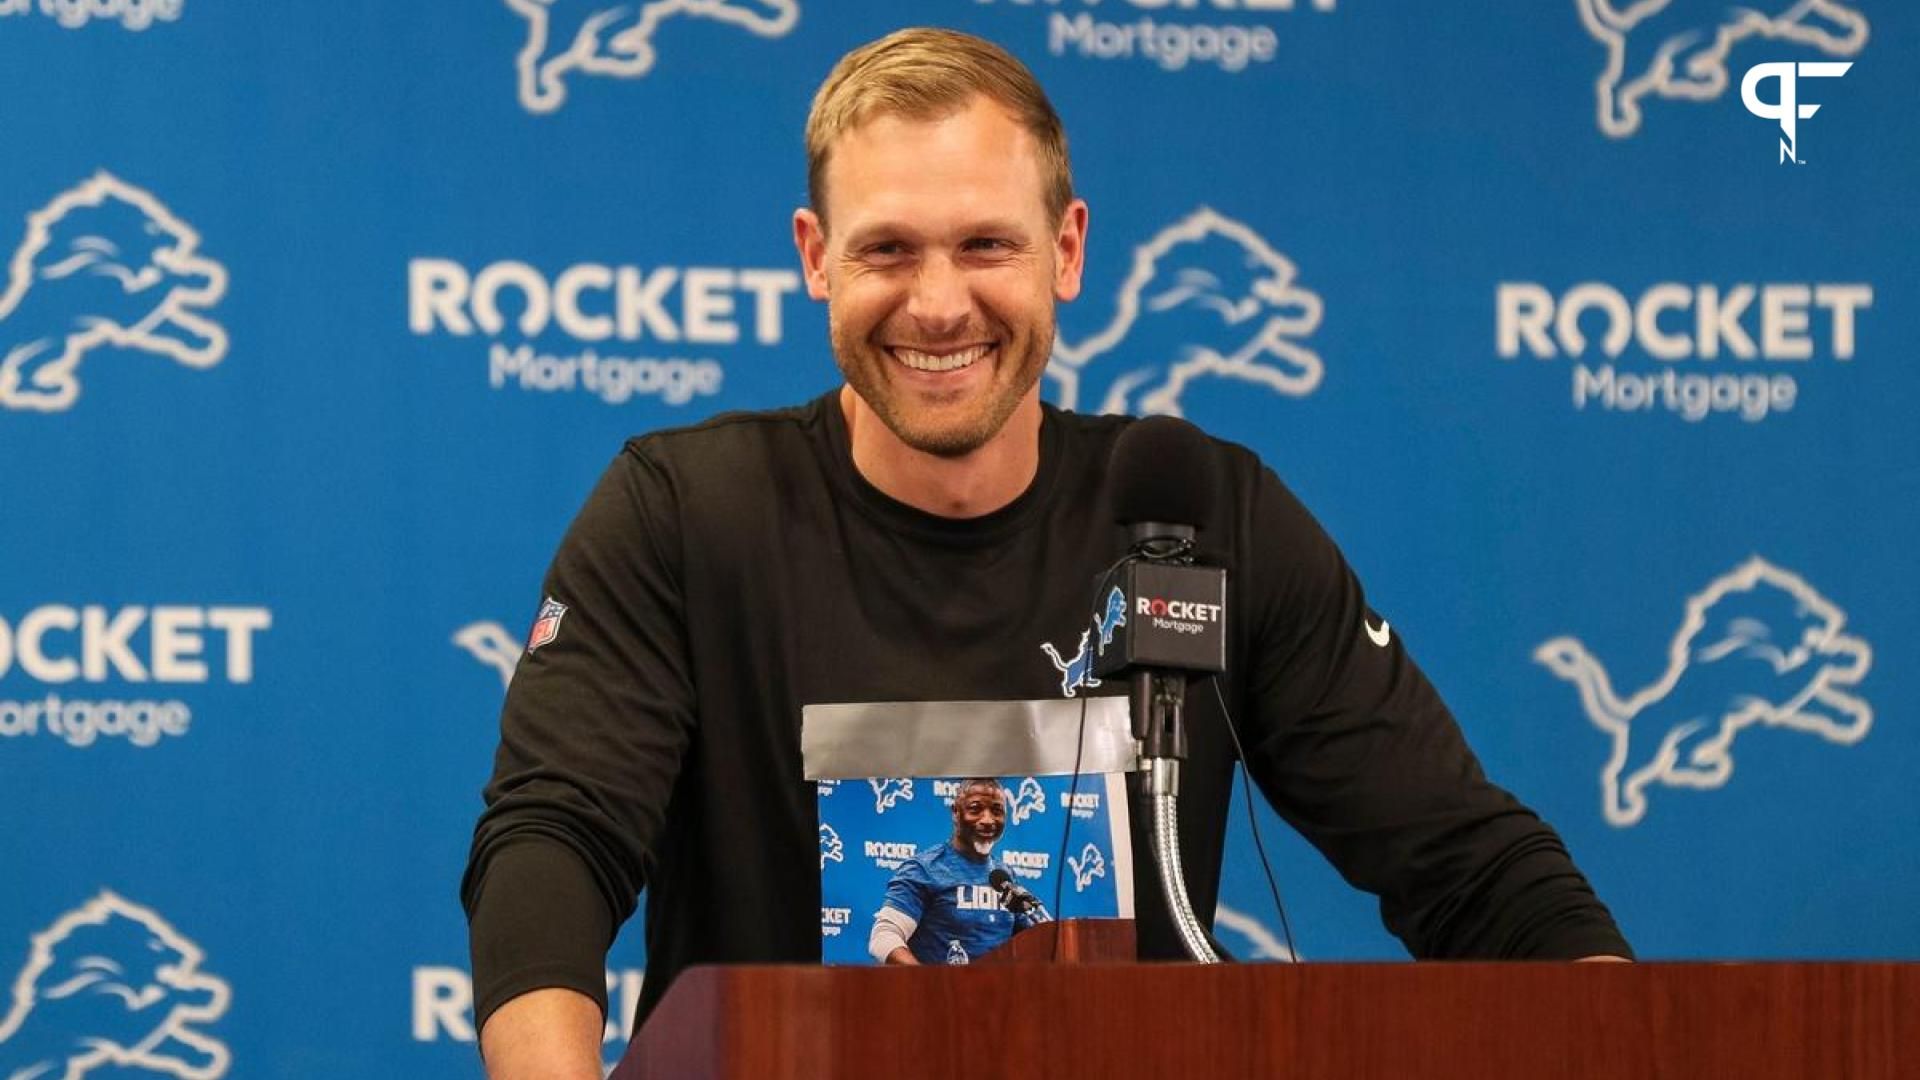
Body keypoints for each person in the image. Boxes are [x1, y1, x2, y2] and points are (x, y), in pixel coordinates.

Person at [463, 26, 1631, 1079]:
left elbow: (1464, 863)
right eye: (887, 252)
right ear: (814, 258)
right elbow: (553, 841)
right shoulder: (683, 511)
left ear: (1066, 251)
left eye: (985, 244)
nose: (938, 303)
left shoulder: (1206, 516)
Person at [868, 778, 1048, 966]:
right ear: (955, 812)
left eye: (997, 811)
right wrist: (925, 983)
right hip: (941, 993)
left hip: (998, 993)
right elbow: (884, 937)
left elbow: (1043, 933)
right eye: (975, 809)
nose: (987, 820)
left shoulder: (1004, 876)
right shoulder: (924, 869)